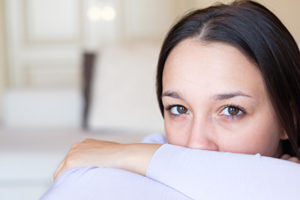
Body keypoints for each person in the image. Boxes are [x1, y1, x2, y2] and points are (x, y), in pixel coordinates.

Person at [41, 0, 300, 199]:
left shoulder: (139, 158)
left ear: (291, 120)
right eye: (179, 109)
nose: (196, 143)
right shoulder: (147, 153)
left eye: (231, 110)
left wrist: (125, 153)